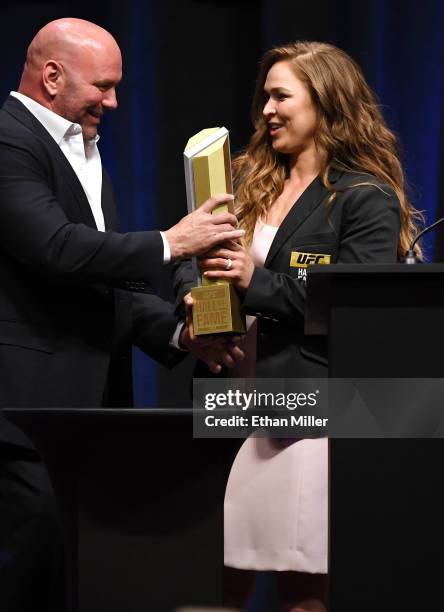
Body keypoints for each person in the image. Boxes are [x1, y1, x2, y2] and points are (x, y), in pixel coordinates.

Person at [0, 18, 245, 611]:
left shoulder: (86, 151)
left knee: (91, 588)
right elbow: (57, 250)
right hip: (26, 416)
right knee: (31, 587)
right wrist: (171, 242)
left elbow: (105, 283)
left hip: (93, 416)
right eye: (103, 86)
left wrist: (181, 335)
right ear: (52, 76)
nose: (113, 101)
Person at [176, 41, 422, 611]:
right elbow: (190, 265)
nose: (266, 109)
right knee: (208, 583)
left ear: (327, 103)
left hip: (304, 415)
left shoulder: (364, 197)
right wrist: (192, 309)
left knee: (302, 587)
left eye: (282, 96)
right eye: (264, 96)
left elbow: (356, 305)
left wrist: (255, 282)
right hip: (228, 404)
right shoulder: (242, 181)